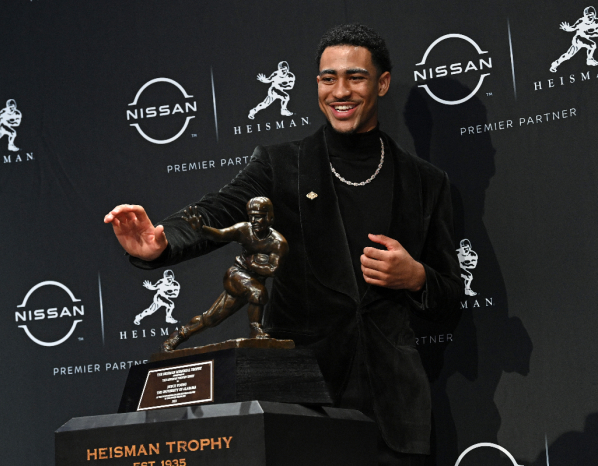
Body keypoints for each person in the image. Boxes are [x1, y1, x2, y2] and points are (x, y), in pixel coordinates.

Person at [105, 24, 462, 465]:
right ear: (316, 84)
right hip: (303, 405)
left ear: (382, 83)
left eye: (356, 77)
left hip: (395, 417)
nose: (340, 91)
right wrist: (161, 244)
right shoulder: (280, 165)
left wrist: (416, 277)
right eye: (328, 78)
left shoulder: (426, 183)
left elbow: (451, 298)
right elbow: (219, 211)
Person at [161, 198, 289, 352]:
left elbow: (273, 271)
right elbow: (221, 235)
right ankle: (256, 330)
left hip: (251, 280)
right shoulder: (244, 230)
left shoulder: (278, 243)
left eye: (259, 216)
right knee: (258, 293)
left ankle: (178, 335)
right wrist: (202, 229)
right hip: (236, 275)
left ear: (270, 218)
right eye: (251, 216)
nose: (254, 221)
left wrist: (253, 264)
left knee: (211, 318)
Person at [550, 6, 598, 72]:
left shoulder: (596, 22)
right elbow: (573, 28)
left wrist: (591, 34)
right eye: (587, 15)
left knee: (568, 55)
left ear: (594, 15)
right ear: (584, 15)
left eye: (591, 15)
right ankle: (589, 59)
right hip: (578, 39)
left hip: (585, 39)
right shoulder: (581, 21)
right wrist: (567, 28)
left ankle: (555, 63)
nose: (589, 17)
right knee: (592, 45)